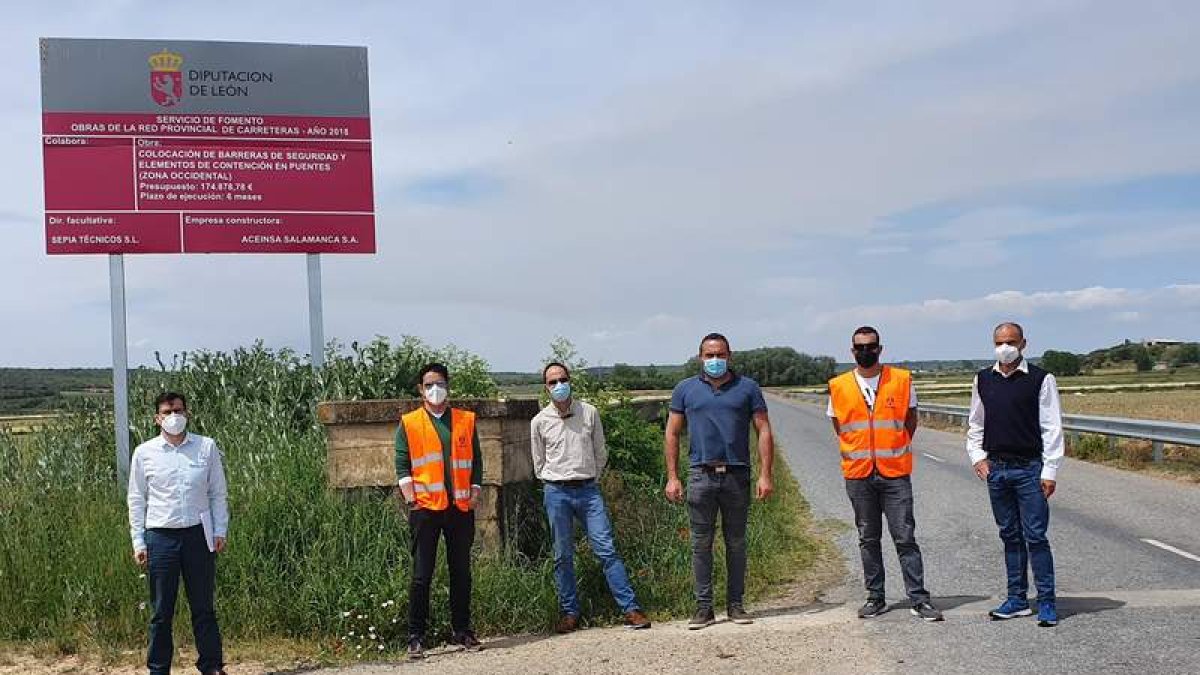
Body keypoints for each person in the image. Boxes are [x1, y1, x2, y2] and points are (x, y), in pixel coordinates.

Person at [826, 326, 943, 622]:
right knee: (868, 538)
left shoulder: (902, 380)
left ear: (880, 348)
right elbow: (840, 425)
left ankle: (919, 598)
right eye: (860, 347)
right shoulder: (838, 385)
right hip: (859, 473)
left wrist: (893, 445)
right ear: (852, 351)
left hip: (894, 473)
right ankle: (875, 597)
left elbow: (910, 420)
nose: (866, 351)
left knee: (905, 537)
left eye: (871, 346)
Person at [664, 332, 775, 630]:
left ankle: (736, 605)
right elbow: (672, 433)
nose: (715, 360)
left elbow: (763, 430)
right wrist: (672, 477)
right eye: (709, 355)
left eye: (720, 355)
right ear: (700, 357)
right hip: (700, 476)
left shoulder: (748, 388)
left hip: (737, 476)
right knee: (701, 545)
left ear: (730, 356)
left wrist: (766, 474)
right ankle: (704, 608)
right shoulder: (685, 390)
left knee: (736, 543)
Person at [531, 362, 651, 633]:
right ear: (546, 388)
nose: (559, 385)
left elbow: (600, 451)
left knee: (606, 549)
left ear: (570, 380)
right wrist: (552, 479)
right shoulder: (539, 422)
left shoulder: (589, 412)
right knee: (562, 554)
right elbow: (538, 461)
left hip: (588, 491)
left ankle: (631, 609)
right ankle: (569, 613)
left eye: (562, 379)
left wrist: (591, 477)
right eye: (553, 382)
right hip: (556, 491)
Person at [967, 322, 1063, 627]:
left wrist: (1050, 471)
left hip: (1029, 469)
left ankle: (1046, 602)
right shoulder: (983, 379)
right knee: (1009, 536)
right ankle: (1017, 600)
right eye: (999, 342)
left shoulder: (1040, 379)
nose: (1004, 347)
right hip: (997, 470)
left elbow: (1051, 426)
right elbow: (975, 423)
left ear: (1023, 343)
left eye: (1010, 341)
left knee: (1035, 536)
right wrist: (978, 457)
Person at [127, 392, 229, 675]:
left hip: (199, 535)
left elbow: (217, 492)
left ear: (188, 413)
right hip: (160, 538)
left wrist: (220, 530)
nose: (174, 416)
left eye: (179, 410)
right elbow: (137, 499)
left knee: (204, 608)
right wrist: (139, 540)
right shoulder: (144, 453)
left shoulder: (206, 447)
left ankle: (211, 666)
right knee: (161, 612)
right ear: (157, 418)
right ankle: (158, 669)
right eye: (168, 412)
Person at [395, 363, 485, 659]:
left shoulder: (465, 420)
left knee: (461, 571)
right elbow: (402, 464)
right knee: (422, 575)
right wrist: (411, 499)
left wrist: (475, 491)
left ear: (448, 385)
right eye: (429, 384)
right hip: (425, 508)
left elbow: (477, 461)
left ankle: (462, 630)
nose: (436, 389)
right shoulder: (409, 423)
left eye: (440, 383)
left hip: (459, 507)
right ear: (421, 389)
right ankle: (415, 636)